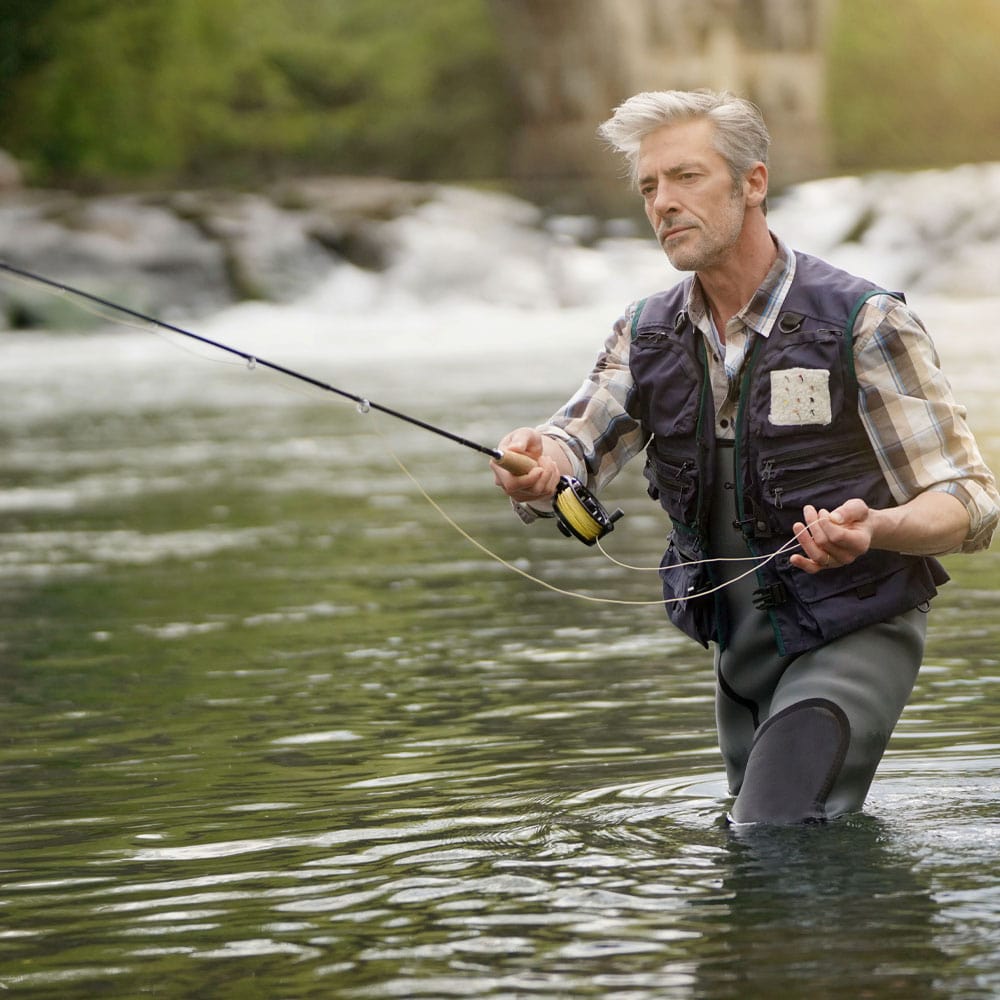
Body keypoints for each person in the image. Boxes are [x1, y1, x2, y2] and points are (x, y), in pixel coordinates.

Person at [491, 90, 1000, 825]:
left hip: (857, 633)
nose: (663, 202)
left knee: (769, 832)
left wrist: (877, 530)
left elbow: (970, 498)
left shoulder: (864, 322)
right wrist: (537, 467)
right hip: (738, 659)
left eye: (686, 177)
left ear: (753, 183)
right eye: (648, 186)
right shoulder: (645, 334)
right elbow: (572, 447)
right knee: (756, 862)